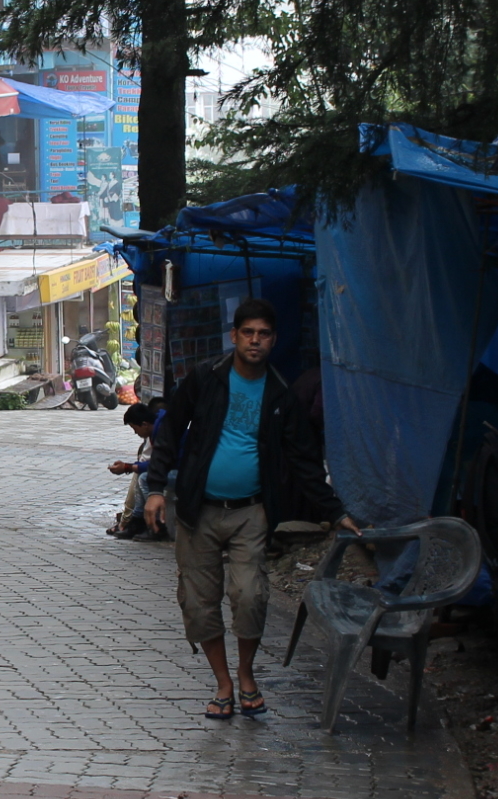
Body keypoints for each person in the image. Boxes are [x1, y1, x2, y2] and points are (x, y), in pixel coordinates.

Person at [143, 299, 356, 720]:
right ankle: (223, 683)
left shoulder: (281, 394)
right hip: (197, 511)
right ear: (235, 336)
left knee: (250, 595)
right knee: (200, 602)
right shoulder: (207, 379)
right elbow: (170, 428)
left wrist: (336, 512)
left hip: (251, 512)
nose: (255, 341)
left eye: (263, 334)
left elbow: (305, 460)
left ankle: (246, 674)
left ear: (273, 340)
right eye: (248, 333)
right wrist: (154, 488)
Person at [107, 401, 162, 539]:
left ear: (144, 424)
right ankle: (136, 521)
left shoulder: (161, 430)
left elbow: (160, 463)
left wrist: (129, 467)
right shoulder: (156, 428)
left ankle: (155, 524)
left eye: (135, 429)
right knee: (142, 475)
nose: (135, 433)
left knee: (144, 478)